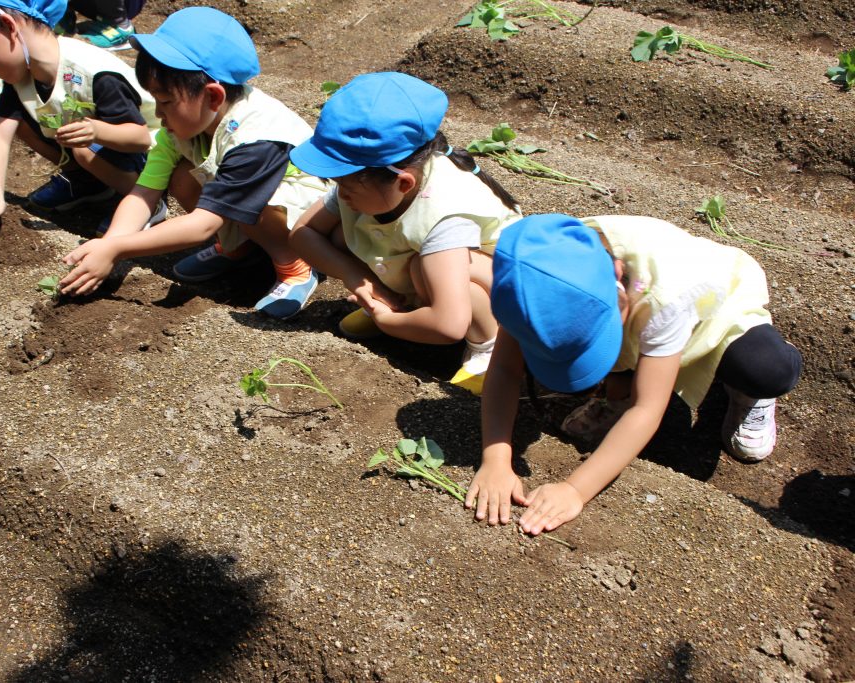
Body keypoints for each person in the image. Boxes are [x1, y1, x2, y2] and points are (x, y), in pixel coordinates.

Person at [468, 213, 802, 534]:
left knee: (764, 369)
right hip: (637, 317)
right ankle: (618, 391)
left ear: (617, 274)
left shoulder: (667, 294)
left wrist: (575, 489)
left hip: (714, 314)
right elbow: (504, 368)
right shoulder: (534, 281)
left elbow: (648, 409)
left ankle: (748, 392)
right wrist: (495, 459)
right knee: (617, 351)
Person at [59, 7, 328, 320]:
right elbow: (144, 193)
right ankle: (237, 248)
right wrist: (108, 244)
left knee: (263, 203)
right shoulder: (180, 130)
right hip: (241, 199)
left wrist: (118, 250)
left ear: (212, 97)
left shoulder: (256, 138)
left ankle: (294, 266)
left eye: (165, 102)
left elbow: (203, 224)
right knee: (182, 176)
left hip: (304, 210)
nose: (158, 114)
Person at [287, 72, 523, 393]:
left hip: (501, 294)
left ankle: (487, 346)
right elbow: (303, 233)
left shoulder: (445, 216)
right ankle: (403, 304)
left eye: (346, 184)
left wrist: (388, 322)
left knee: (421, 266)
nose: (340, 193)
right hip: (426, 270)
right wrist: (361, 280)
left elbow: (449, 325)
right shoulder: (369, 181)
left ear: (403, 182)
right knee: (343, 233)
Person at [0, 0, 160, 244]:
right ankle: (89, 183)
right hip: (103, 149)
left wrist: (96, 130)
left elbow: (140, 137)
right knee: (19, 122)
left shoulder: (93, 71)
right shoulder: (23, 76)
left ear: (9, 26)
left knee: (84, 149)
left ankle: (145, 201)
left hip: (152, 157)